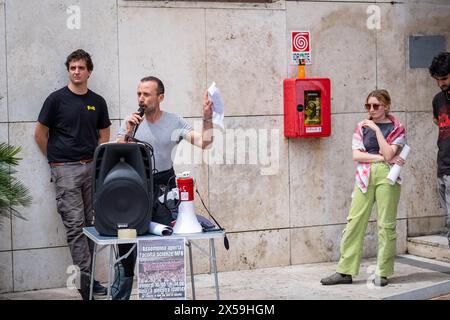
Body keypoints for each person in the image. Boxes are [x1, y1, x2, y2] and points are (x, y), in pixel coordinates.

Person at [111, 76, 214, 299]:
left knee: (163, 246)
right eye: (139, 93)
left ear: (160, 97)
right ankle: (121, 295)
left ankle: (164, 295)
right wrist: (128, 131)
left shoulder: (174, 122)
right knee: (125, 249)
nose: (141, 98)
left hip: (163, 189)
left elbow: (204, 142)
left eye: (146, 94)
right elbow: (116, 154)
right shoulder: (131, 122)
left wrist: (207, 118)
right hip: (134, 188)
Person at [34, 49, 111, 299]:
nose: (76, 72)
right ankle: (86, 282)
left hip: (91, 168)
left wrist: (98, 162)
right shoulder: (56, 100)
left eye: (80, 68)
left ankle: (88, 278)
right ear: (69, 70)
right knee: (76, 226)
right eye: (72, 68)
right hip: (64, 169)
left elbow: (105, 134)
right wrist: (56, 161)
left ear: (89, 71)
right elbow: (40, 134)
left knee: (92, 226)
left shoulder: (97, 101)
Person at [320, 89, 406, 287]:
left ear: (386, 106)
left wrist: (376, 130)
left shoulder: (397, 127)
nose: (372, 109)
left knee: (386, 225)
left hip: (388, 176)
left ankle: (383, 272)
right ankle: (344, 271)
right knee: (354, 222)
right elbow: (357, 156)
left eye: (376, 106)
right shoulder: (361, 126)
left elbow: (388, 151)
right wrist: (382, 157)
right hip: (365, 176)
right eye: (368, 106)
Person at [429, 52, 450, 248]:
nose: (440, 83)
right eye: (437, 80)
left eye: (444, 78)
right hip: (442, 166)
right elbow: (439, 123)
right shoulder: (438, 100)